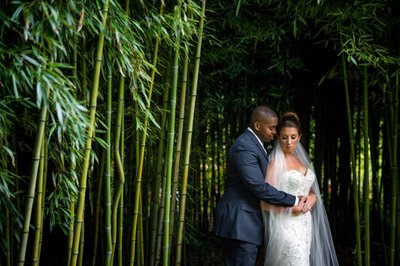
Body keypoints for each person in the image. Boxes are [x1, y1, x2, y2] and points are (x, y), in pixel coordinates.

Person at [213, 106, 313, 266]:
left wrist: (311, 197)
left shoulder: (256, 144)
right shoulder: (244, 146)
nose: (275, 132)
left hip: (248, 225)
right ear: (258, 125)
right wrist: (294, 200)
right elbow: (258, 186)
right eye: (272, 128)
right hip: (240, 223)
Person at [261, 112, 338, 266]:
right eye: (284, 137)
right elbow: (264, 203)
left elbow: (307, 188)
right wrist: (290, 209)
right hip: (286, 228)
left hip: (305, 225)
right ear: (278, 137)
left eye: (293, 137)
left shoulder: (303, 161)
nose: (289, 142)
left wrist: (313, 197)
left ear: (299, 137)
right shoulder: (275, 163)